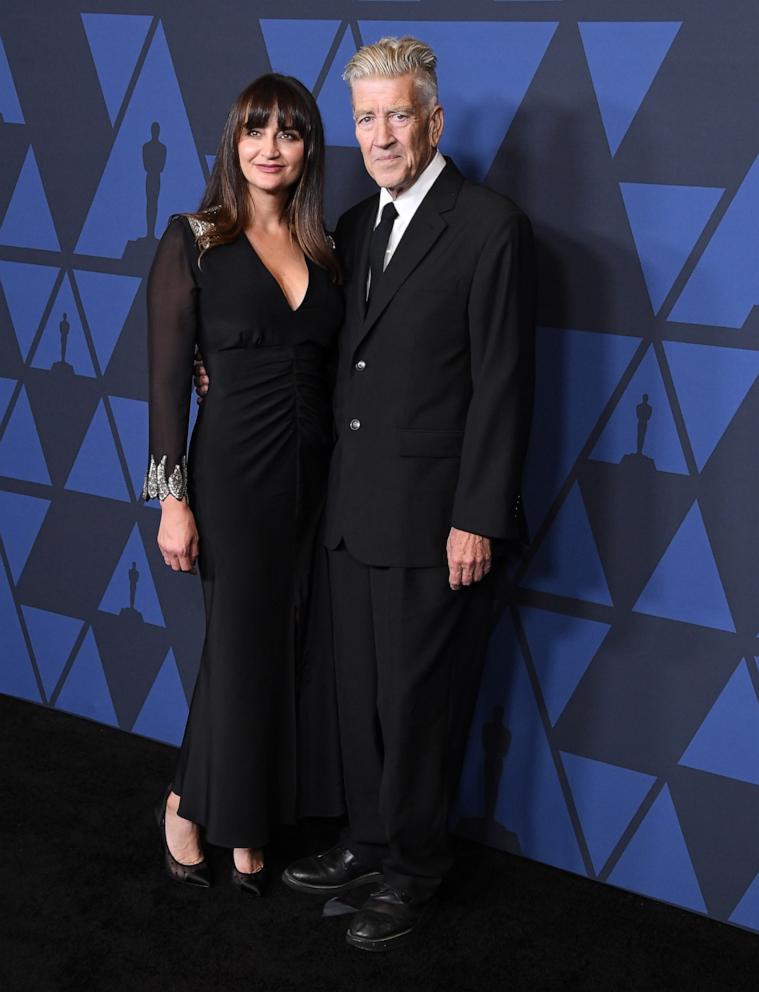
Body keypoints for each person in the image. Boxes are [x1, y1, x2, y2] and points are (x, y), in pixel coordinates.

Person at [280, 36, 537, 951]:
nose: (381, 134)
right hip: (352, 514)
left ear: (432, 119)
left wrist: (477, 513)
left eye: (397, 115)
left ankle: (414, 868)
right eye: (365, 119)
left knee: (420, 707)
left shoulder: (487, 225)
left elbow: (505, 382)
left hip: (437, 523)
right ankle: (366, 839)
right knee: (360, 699)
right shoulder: (353, 225)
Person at [143, 73, 343, 895]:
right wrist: (172, 499)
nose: (269, 148)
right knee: (238, 644)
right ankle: (209, 818)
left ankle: (216, 807)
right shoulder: (193, 239)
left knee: (282, 648)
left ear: (306, 150)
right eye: (255, 131)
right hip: (230, 473)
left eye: (287, 133)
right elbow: (162, 385)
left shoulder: (329, 248)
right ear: (233, 142)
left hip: (318, 474)